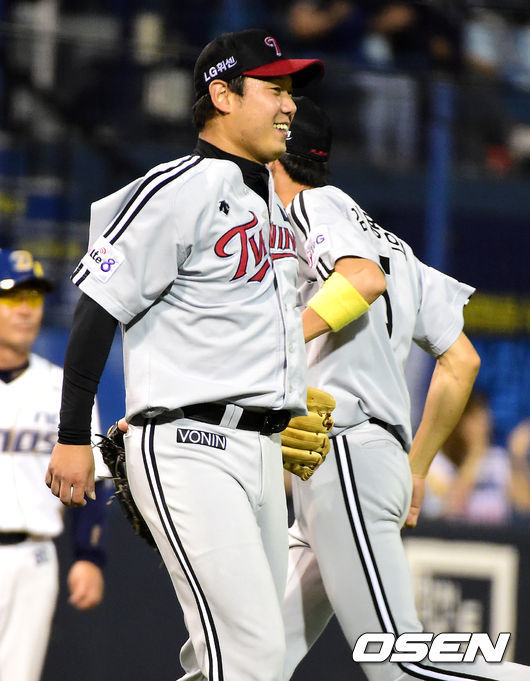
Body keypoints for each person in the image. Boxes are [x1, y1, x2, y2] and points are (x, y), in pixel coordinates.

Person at [45, 29, 324, 681]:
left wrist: (283, 402)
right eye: (274, 89)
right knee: (253, 655)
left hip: (260, 453)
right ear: (222, 95)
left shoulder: (273, 207)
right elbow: (97, 305)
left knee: (241, 658)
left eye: (291, 91)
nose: (290, 105)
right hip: (189, 443)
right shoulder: (174, 189)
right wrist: (71, 435)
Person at [269, 96, 530, 681]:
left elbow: (360, 280)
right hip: (357, 462)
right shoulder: (396, 247)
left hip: (345, 456)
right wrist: (416, 468)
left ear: (278, 153)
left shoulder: (309, 206)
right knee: (248, 661)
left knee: (402, 667)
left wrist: (274, 342)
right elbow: (461, 361)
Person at [0, 248, 110, 681]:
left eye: (34, 296)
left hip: (35, 557)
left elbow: (93, 479)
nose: (27, 309)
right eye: (12, 297)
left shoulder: (66, 389)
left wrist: (89, 555)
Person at [423, 389, 512, 525]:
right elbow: (453, 506)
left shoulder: (497, 459)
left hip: (497, 535)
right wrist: (475, 454)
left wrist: (517, 459)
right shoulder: (435, 462)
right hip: (449, 535)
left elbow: (524, 508)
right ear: (457, 422)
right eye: (474, 418)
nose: (483, 424)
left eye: (484, 416)